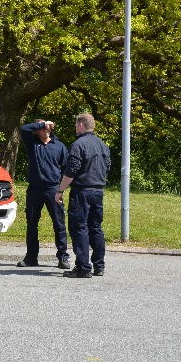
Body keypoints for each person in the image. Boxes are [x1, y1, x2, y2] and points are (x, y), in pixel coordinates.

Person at [55, 113, 111, 278]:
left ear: (81, 125)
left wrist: (60, 191)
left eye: (76, 124)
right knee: (96, 227)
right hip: (98, 190)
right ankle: (99, 266)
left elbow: (71, 171)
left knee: (79, 228)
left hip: (82, 191)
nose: (75, 128)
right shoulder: (103, 145)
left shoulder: (78, 145)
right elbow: (107, 167)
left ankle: (83, 267)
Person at [16, 120, 71, 269]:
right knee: (32, 224)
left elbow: (67, 168)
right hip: (34, 189)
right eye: (42, 128)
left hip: (53, 189)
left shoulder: (59, 146)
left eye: (48, 128)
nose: (46, 130)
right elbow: (23, 129)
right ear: (37, 130)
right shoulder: (32, 144)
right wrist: (41, 124)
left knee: (59, 224)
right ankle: (31, 257)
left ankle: (63, 257)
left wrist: (61, 189)